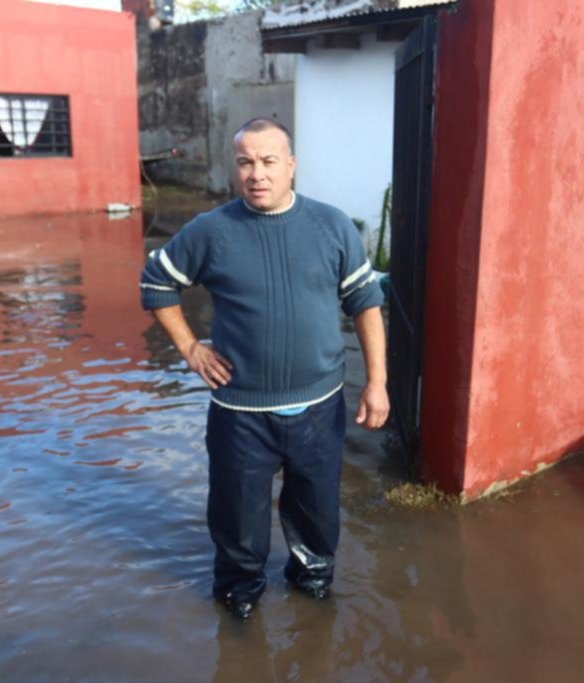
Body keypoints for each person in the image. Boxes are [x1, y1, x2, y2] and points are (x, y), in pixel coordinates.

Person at [139, 118, 389, 620]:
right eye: (246, 162)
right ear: (237, 168)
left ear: (291, 166)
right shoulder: (211, 231)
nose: (257, 174)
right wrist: (190, 348)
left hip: (318, 407)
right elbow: (156, 283)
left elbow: (365, 302)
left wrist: (378, 383)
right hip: (240, 411)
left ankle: (313, 584)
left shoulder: (332, 225)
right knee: (237, 518)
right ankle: (239, 597)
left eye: (269, 161)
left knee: (317, 514)